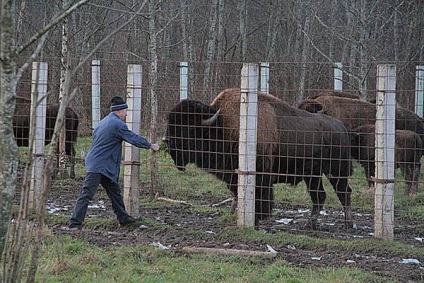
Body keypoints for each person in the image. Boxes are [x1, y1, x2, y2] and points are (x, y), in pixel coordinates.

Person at [69, 96, 160, 229]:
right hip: (99, 165)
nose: (126, 114)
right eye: (125, 111)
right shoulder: (117, 124)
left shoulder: (103, 122)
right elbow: (132, 138)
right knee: (86, 193)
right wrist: (150, 145)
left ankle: (124, 219)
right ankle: (74, 224)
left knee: (115, 192)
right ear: (119, 110)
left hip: (99, 163)